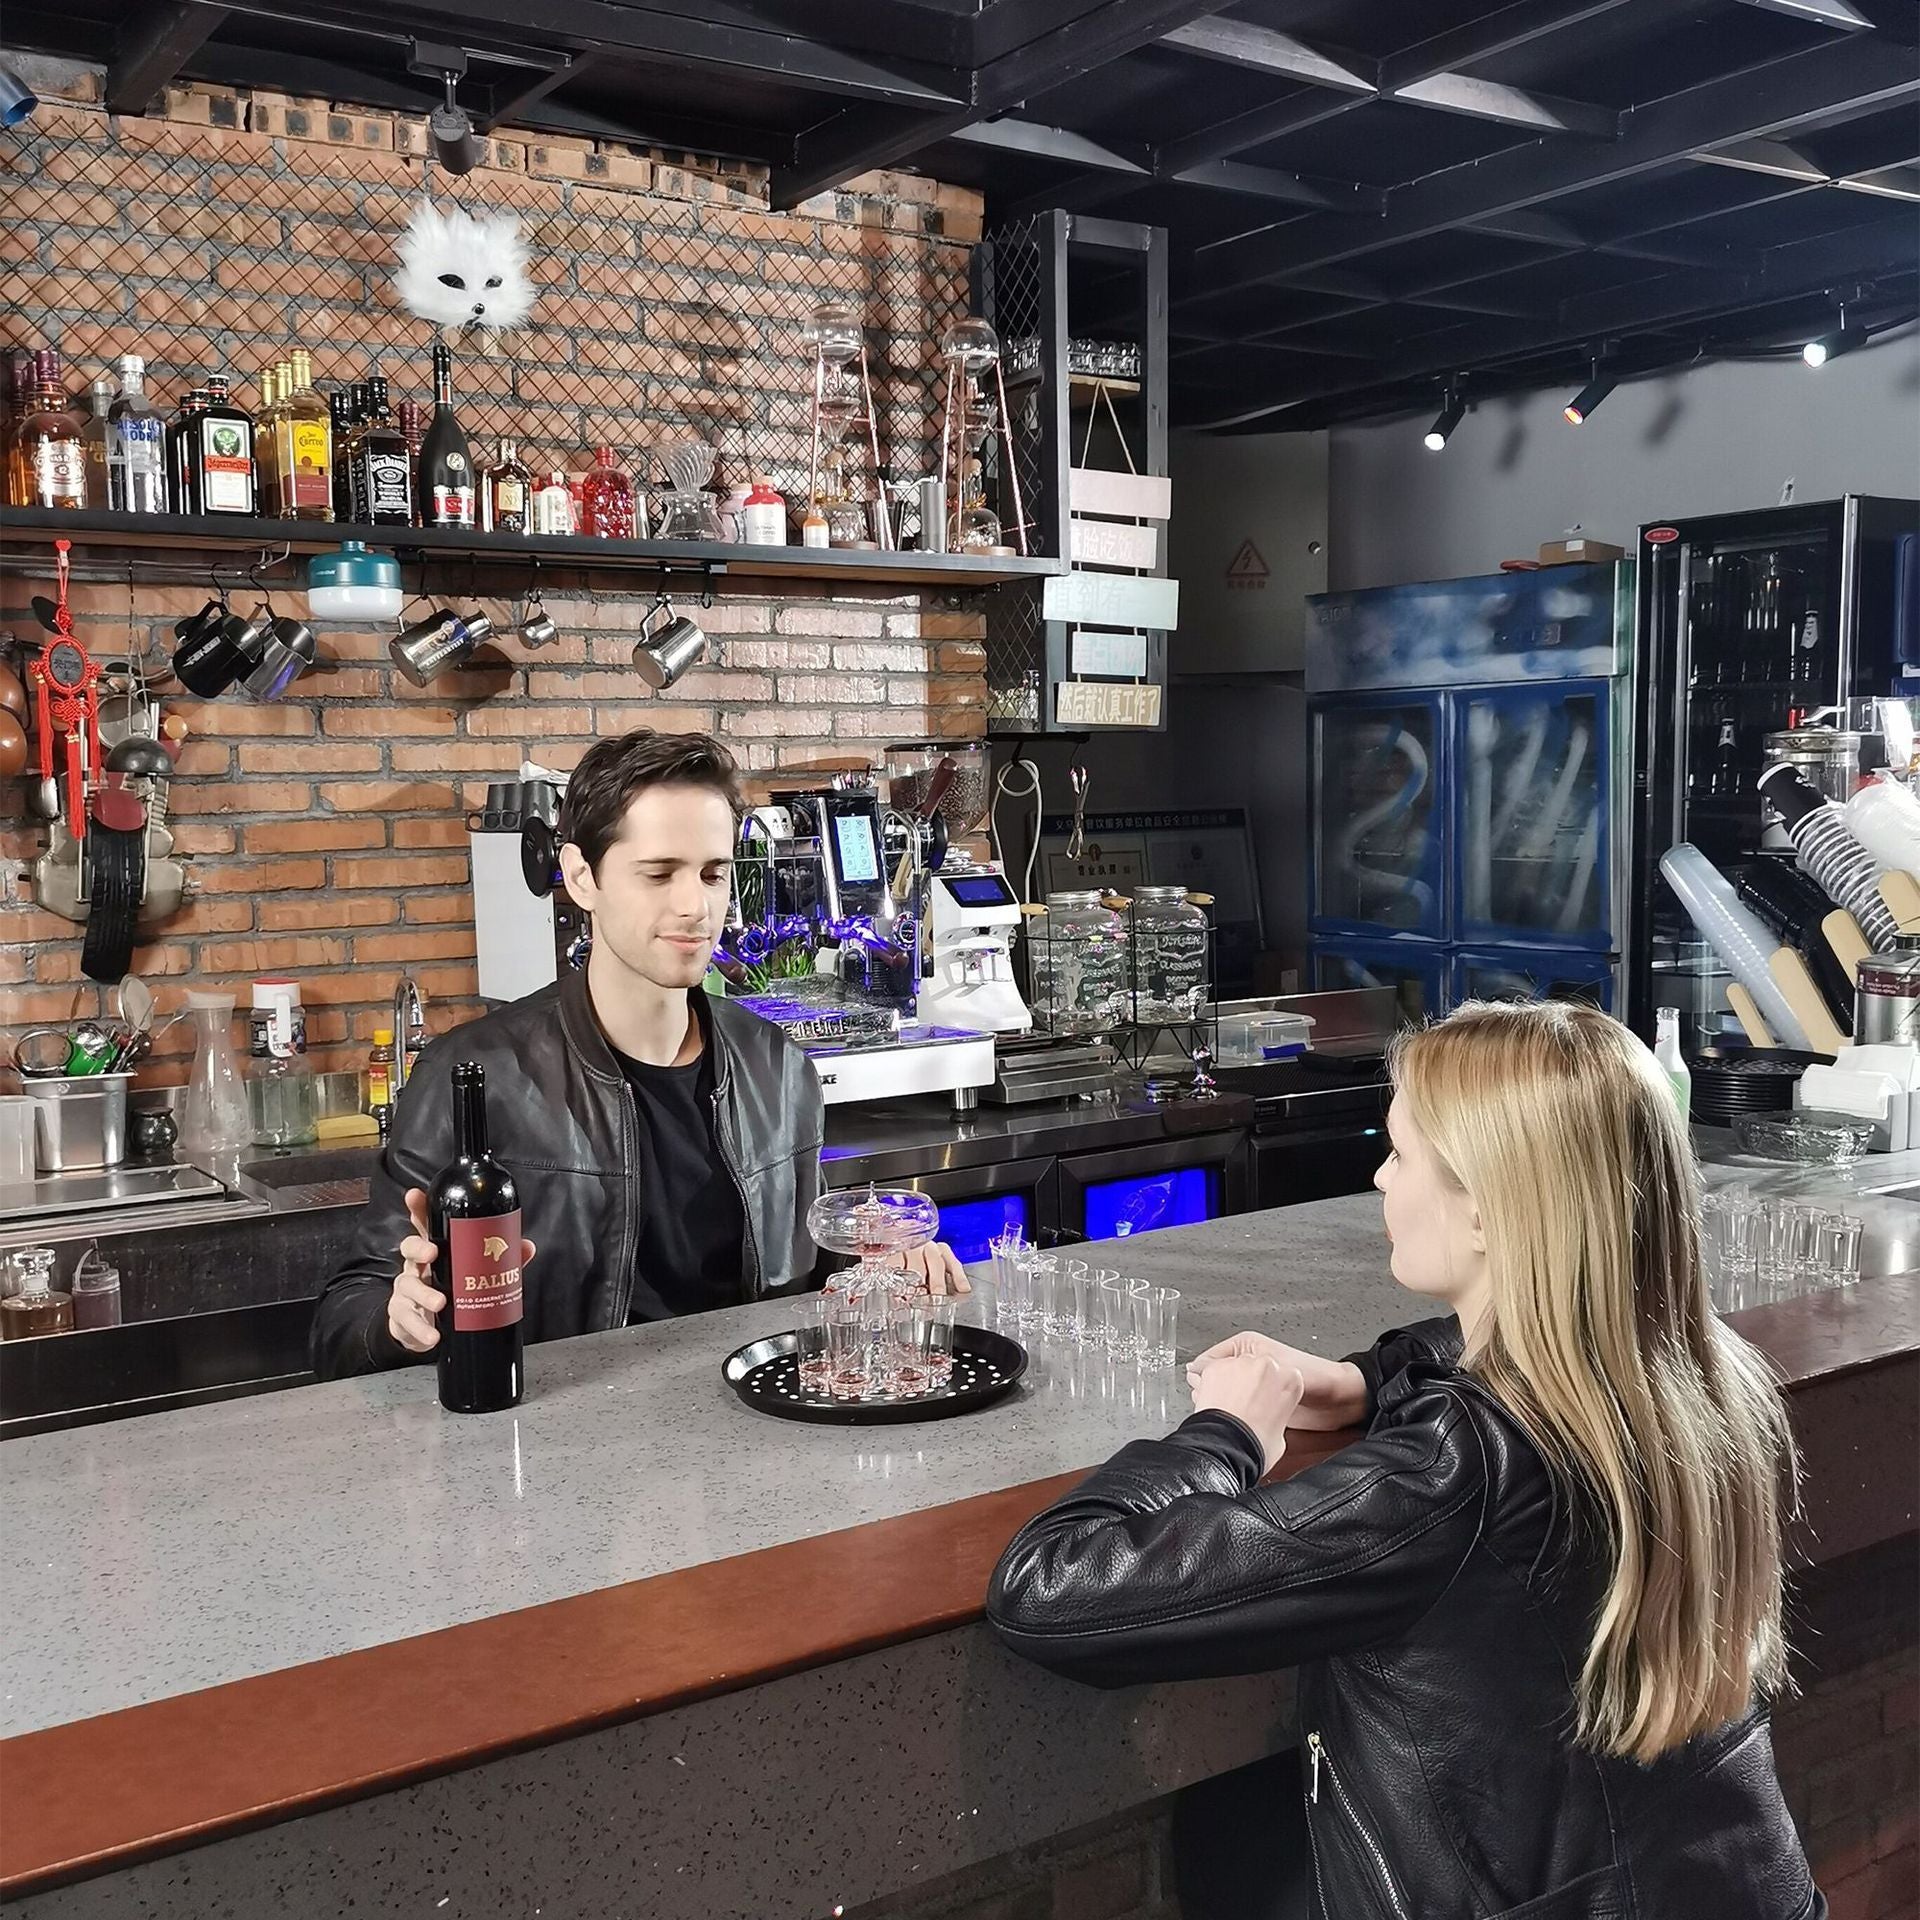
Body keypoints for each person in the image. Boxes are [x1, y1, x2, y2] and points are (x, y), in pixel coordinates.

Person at [988, 999, 1820, 1920]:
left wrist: (1224, 1432)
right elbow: (1537, 1342)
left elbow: (1048, 1590)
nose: (1380, 1177)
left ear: (1488, 1210)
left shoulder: (1453, 1473)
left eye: (1399, 1154)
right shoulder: (1704, 1377)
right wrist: (1364, 1378)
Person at [312, 728, 965, 1379]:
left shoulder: (777, 1065)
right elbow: (345, 1320)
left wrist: (882, 1264)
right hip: (556, 1427)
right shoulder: (477, 1076)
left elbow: (802, 1273)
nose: (695, 906)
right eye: (658, 874)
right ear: (581, 877)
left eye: (713, 874)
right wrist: (400, 1320)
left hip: (752, 1419)